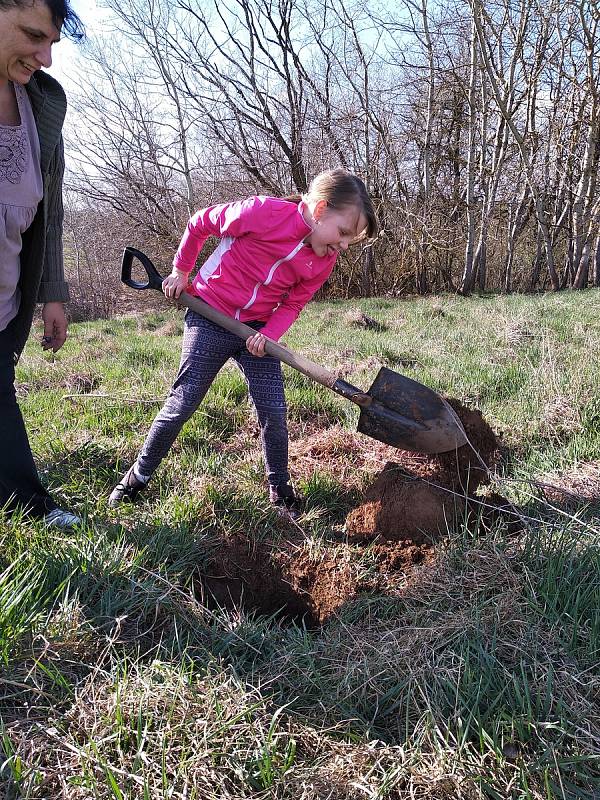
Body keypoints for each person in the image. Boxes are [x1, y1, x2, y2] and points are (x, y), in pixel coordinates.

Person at [109, 168, 378, 517]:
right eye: (342, 234)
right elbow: (199, 223)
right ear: (321, 209)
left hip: (256, 332)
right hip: (209, 313)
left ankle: (280, 489)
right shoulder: (263, 213)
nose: (342, 246)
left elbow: (294, 303)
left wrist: (269, 335)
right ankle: (137, 476)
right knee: (184, 402)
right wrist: (180, 271)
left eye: (348, 242)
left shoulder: (323, 259)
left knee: (274, 412)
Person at [0, 0, 84, 528]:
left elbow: (45, 213)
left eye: (51, 40)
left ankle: (29, 505)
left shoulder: (43, 104)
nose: (47, 58)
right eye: (33, 35)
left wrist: (52, 291)